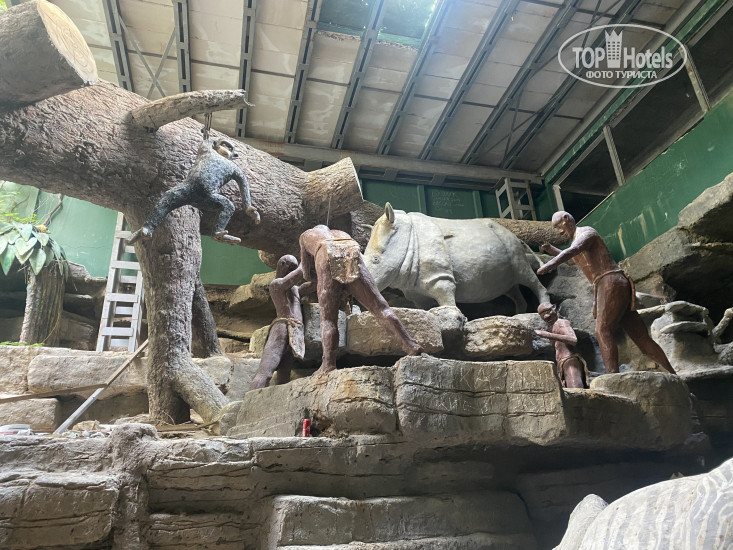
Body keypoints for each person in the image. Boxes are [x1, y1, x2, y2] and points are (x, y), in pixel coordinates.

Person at [538, 211, 675, 375]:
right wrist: (551, 249)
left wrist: (550, 264)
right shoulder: (576, 241)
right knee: (640, 337)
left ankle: (612, 376)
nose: (560, 232)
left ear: (566, 219)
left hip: (610, 281)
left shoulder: (586, 232)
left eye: (558, 226)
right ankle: (673, 374)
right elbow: (570, 259)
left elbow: (573, 250)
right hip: (608, 284)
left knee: (602, 331)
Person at [299, 225, 423, 375]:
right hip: (350, 249)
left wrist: (317, 285)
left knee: (328, 320)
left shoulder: (306, 236)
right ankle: (411, 345)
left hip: (326, 253)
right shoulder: (341, 232)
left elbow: (306, 274)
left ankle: (328, 365)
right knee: (381, 308)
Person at [250, 255, 311, 390]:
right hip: (281, 328)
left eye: (294, 268)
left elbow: (313, 285)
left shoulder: (296, 290)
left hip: (294, 332)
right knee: (266, 372)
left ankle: (278, 400)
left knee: (284, 373)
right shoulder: (276, 284)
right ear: (282, 264)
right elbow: (298, 274)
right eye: (290, 267)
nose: (292, 271)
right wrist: (305, 258)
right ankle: (251, 399)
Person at [535, 302, 588, 388]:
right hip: (563, 363)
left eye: (547, 311)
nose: (546, 316)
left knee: (576, 390)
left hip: (570, 361)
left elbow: (573, 340)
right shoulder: (553, 327)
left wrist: (547, 335)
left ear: (554, 307)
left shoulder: (561, 323)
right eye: (542, 314)